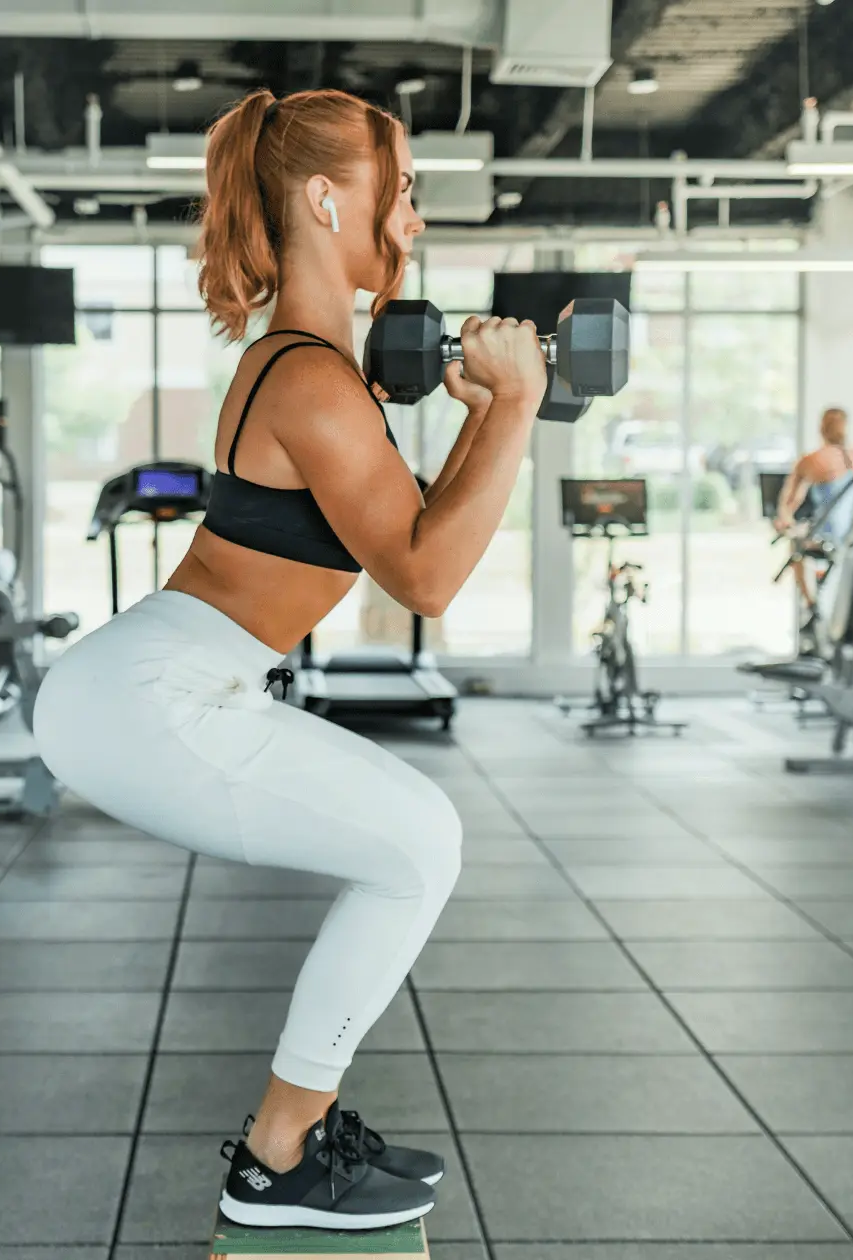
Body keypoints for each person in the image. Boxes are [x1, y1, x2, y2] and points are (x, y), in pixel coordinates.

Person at [29, 88, 545, 1231]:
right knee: (418, 842)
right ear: (327, 197)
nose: (412, 216)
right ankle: (278, 1157)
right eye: (399, 188)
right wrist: (512, 409)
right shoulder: (311, 375)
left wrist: (483, 414)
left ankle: (290, 1145)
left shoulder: (318, 366)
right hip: (151, 699)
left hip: (164, 682)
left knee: (411, 841)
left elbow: (411, 528)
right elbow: (426, 577)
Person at [772, 407, 853, 601]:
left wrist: (786, 522)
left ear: (822, 428)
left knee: (795, 545)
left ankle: (811, 604)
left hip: (828, 535)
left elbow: (789, 503)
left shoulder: (811, 460)